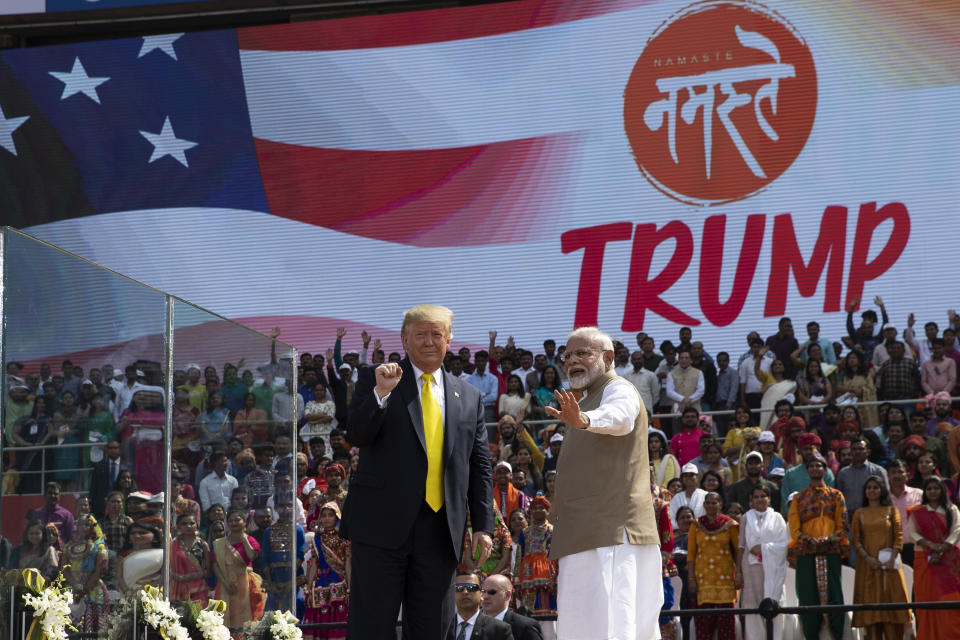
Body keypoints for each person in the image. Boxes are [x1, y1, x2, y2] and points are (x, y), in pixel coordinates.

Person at [342, 304, 493, 640]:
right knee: (372, 628)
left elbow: (480, 465)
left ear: (449, 340)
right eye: (420, 335)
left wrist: (483, 526)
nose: (428, 342)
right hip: (381, 527)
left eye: (436, 334)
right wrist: (381, 394)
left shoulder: (468, 396)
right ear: (404, 340)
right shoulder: (378, 378)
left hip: (439, 531)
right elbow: (356, 435)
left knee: (433, 631)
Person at [546, 326, 662, 640]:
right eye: (568, 355)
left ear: (608, 358)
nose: (572, 361)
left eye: (583, 353)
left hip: (612, 534)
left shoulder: (617, 388)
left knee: (614, 625)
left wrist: (585, 420)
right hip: (584, 534)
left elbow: (620, 417)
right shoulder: (582, 402)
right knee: (580, 627)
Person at [787, 454, 850, 640]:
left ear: (825, 469)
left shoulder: (836, 495)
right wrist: (807, 539)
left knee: (834, 596)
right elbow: (794, 527)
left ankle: (836, 636)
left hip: (830, 552)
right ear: (807, 471)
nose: (815, 469)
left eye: (819, 465)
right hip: (807, 552)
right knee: (808, 598)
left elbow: (843, 525)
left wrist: (828, 539)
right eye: (811, 466)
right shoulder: (799, 498)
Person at [850, 476, 911, 640]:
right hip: (868, 565)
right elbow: (856, 540)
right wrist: (868, 558)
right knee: (871, 609)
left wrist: (892, 558)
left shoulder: (892, 511)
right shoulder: (859, 513)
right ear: (865, 492)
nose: (872, 490)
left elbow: (898, 536)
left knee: (893, 608)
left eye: (875, 487)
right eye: (868, 487)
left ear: (882, 490)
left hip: (890, 566)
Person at [906, 476, 960, 640]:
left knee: (951, 600)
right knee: (926, 599)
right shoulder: (917, 512)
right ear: (925, 491)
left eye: (936, 488)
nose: (933, 491)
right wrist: (932, 546)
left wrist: (942, 548)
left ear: (942, 490)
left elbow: (957, 531)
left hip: (949, 560)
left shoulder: (952, 510)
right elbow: (912, 533)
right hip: (924, 558)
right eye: (929, 488)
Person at [737, 485, 788, 640]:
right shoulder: (746, 517)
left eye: (763, 496)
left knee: (774, 606)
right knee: (753, 609)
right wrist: (738, 571)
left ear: (769, 499)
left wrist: (764, 548)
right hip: (751, 569)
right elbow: (741, 546)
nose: (760, 499)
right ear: (751, 501)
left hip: (773, 569)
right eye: (756, 497)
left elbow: (784, 544)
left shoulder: (777, 517)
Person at [687, 491, 739, 640]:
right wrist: (691, 579)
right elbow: (691, 554)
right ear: (704, 505)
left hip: (725, 581)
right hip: (703, 582)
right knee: (703, 626)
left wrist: (739, 574)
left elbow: (738, 552)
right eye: (708, 503)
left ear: (720, 505)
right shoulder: (696, 525)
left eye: (714, 502)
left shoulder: (730, 524)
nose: (711, 505)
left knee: (726, 627)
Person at [303, 501, 351, 640]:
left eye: (331, 515)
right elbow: (313, 565)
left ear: (337, 517)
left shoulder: (344, 539)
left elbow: (348, 564)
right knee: (321, 623)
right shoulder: (317, 540)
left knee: (338, 621)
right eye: (323, 515)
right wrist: (308, 587)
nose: (327, 518)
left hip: (340, 584)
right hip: (321, 585)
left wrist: (350, 587)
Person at [213, 509, 265, 631]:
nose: (234, 523)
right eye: (230, 520)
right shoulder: (219, 543)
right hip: (225, 584)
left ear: (244, 522)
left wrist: (244, 538)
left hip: (246, 584)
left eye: (237, 520)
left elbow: (252, 556)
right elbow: (215, 565)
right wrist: (225, 583)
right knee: (225, 617)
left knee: (246, 618)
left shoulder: (251, 540)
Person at [514, 495, 557, 639]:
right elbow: (519, 556)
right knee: (529, 614)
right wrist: (517, 581)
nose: (538, 511)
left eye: (542, 508)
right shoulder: (525, 533)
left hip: (549, 577)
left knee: (550, 616)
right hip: (527, 577)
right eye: (535, 508)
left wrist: (558, 578)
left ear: (548, 511)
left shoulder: (553, 530)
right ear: (531, 512)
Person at [61, 513, 109, 632]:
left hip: (92, 588)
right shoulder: (68, 546)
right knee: (70, 626)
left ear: (92, 528)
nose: (83, 528)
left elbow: (99, 570)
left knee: (91, 626)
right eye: (80, 524)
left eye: (87, 525)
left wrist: (84, 589)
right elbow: (64, 569)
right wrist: (76, 586)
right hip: (72, 587)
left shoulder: (99, 546)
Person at [452, 571, 513, 640]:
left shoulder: (500, 630)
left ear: (481, 594)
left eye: (471, 587)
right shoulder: (441, 626)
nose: (465, 592)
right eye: (459, 588)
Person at [480, 573, 543, 640]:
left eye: (492, 592)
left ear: (507, 595)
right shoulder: (472, 624)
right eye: (483, 592)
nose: (485, 597)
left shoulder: (524, 627)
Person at [170, 513, 209, 605]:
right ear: (178, 526)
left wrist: (195, 575)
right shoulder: (172, 545)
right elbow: (167, 567)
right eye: (184, 524)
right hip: (178, 586)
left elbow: (208, 570)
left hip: (198, 588)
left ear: (197, 525)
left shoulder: (203, 545)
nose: (188, 526)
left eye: (192, 523)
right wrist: (178, 577)